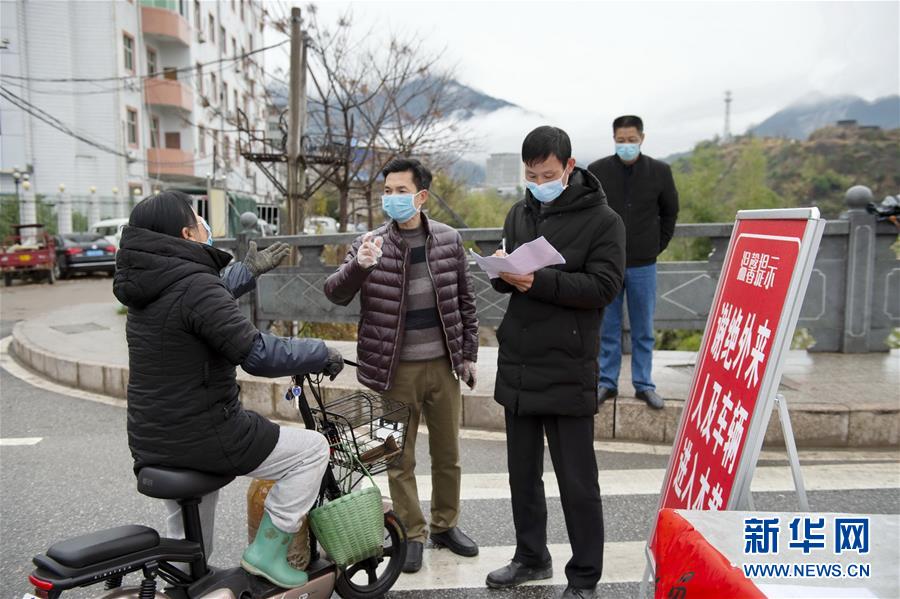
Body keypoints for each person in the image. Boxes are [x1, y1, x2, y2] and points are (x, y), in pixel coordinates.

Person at [113, 191, 345, 589]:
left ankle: (185, 584)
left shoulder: (147, 285)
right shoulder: (195, 287)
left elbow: (196, 303)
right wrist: (318, 351)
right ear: (187, 233)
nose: (207, 227)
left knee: (188, 545)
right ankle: (268, 553)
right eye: (200, 220)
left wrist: (247, 270)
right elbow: (256, 353)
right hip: (205, 433)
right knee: (312, 451)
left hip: (153, 438)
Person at [485, 126, 625, 599]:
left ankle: (584, 577)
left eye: (547, 173)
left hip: (568, 363)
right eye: (530, 174)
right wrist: (503, 272)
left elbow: (603, 288)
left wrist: (537, 281)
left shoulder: (605, 221)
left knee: (577, 482)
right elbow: (509, 280)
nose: (538, 181)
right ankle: (530, 557)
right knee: (522, 475)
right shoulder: (519, 212)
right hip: (520, 362)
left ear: (568, 168)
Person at [324, 157, 479, 574]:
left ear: (421, 196)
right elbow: (334, 293)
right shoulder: (370, 243)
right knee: (396, 457)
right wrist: (360, 266)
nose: (391, 199)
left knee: (449, 454)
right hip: (393, 371)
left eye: (400, 191)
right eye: (387, 191)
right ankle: (413, 532)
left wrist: (467, 355)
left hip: (443, 368)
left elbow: (465, 302)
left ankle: (446, 525)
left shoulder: (448, 240)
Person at [587, 115, 679, 409]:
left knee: (643, 329)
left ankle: (643, 384)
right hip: (607, 264)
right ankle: (606, 382)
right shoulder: (597, 171)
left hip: (643, 264)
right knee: (607, 328)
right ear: (613, 139)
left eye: (631, 140)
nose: (626, 145)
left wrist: (656, 246)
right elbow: (588, 213)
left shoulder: (660, 171)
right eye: (620, 140)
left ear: (642, 138)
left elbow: (670, 213)